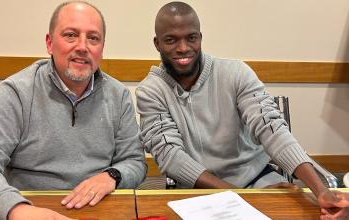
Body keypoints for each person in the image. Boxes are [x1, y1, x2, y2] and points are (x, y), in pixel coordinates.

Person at [136, 1, 349, 219]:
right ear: (157, 43)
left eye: (191, 37)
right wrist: (240, 196)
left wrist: (321, 191)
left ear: (200, 37)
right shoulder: (150, 91)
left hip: (258, 179)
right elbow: (171, 156)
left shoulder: (236, 73)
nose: (183, 48)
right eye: (171, 40)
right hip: (197, 190)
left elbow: (272, 129)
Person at [0, 1, 146, 219]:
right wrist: (17, 210)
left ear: (101, 48)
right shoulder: (17, 92)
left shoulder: (119, 96)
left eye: (93, 38)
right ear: (49, 43)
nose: (83, 46)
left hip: (100, 210)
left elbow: (135, 161)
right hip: (30, 208)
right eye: (71, 35)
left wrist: (112, 175)